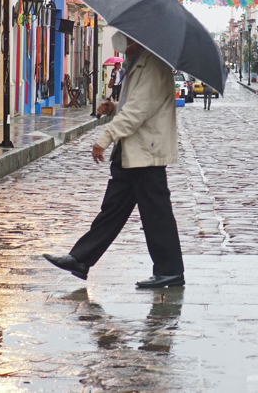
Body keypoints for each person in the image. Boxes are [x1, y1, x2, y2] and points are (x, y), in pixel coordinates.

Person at [44, 34, 184, 289]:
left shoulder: (153, 66)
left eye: (128, 39)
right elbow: (132, 106)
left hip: (146, 151)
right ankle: (81, 259)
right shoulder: (139, 63)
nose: (123, 44)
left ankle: (170, 270)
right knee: (113, 209)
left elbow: (138, 111)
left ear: (138, 40)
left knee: (157, 213)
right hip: (132, 150)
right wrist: (114, 107)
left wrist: (105, 137)